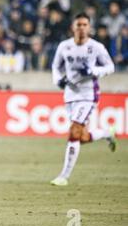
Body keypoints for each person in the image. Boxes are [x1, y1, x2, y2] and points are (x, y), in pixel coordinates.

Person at [50, 12, 117, 186]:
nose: (81, 28)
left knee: (73, 132)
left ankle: (63, 176)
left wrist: (94, 71)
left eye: (84, 25)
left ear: (89, 27)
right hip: (70, 95)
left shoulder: (96, 47)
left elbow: (110, 66)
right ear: (73, 27)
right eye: (78, 24)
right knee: (81, 136)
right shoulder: (64, 46)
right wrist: (58, 80)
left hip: (88, 95)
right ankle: (106, 133)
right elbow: (56, 67)